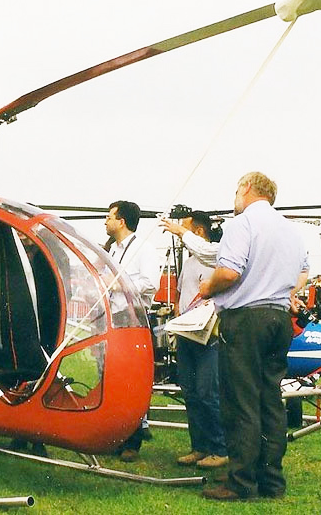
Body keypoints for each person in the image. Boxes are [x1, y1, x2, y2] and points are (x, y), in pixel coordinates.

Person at [198, 172, 308, 501]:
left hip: (246, 319)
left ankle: (240, 481)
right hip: (278, 319)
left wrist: (207, 287)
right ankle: (271, 479)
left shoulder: (242, 223)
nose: (234, 197)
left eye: (235, 190)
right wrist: (285, 292)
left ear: (246, 189)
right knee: (269, 399)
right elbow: (303, 272)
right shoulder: (290, 229)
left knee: (240, 401)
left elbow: (230, 271)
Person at [160, 211, 228, 469]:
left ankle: (219, 448)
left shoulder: (214, 259)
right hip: (186, 334)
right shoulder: (188, 263)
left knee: (207, 392)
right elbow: (181, 296)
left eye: (184, 229)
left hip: (209, 336)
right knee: (189, 391)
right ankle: (199, 446)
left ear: (198, 232)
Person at [104, 200, 159, 462]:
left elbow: (150, 283)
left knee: (131, 380)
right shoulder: (112, 251)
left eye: (109, 217)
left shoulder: (143, 249)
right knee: (114, 378)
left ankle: (133, 439)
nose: (105, 221)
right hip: (113, 320)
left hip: (134, 320)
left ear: (121, 221)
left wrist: (117, 286)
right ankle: (115, 434)